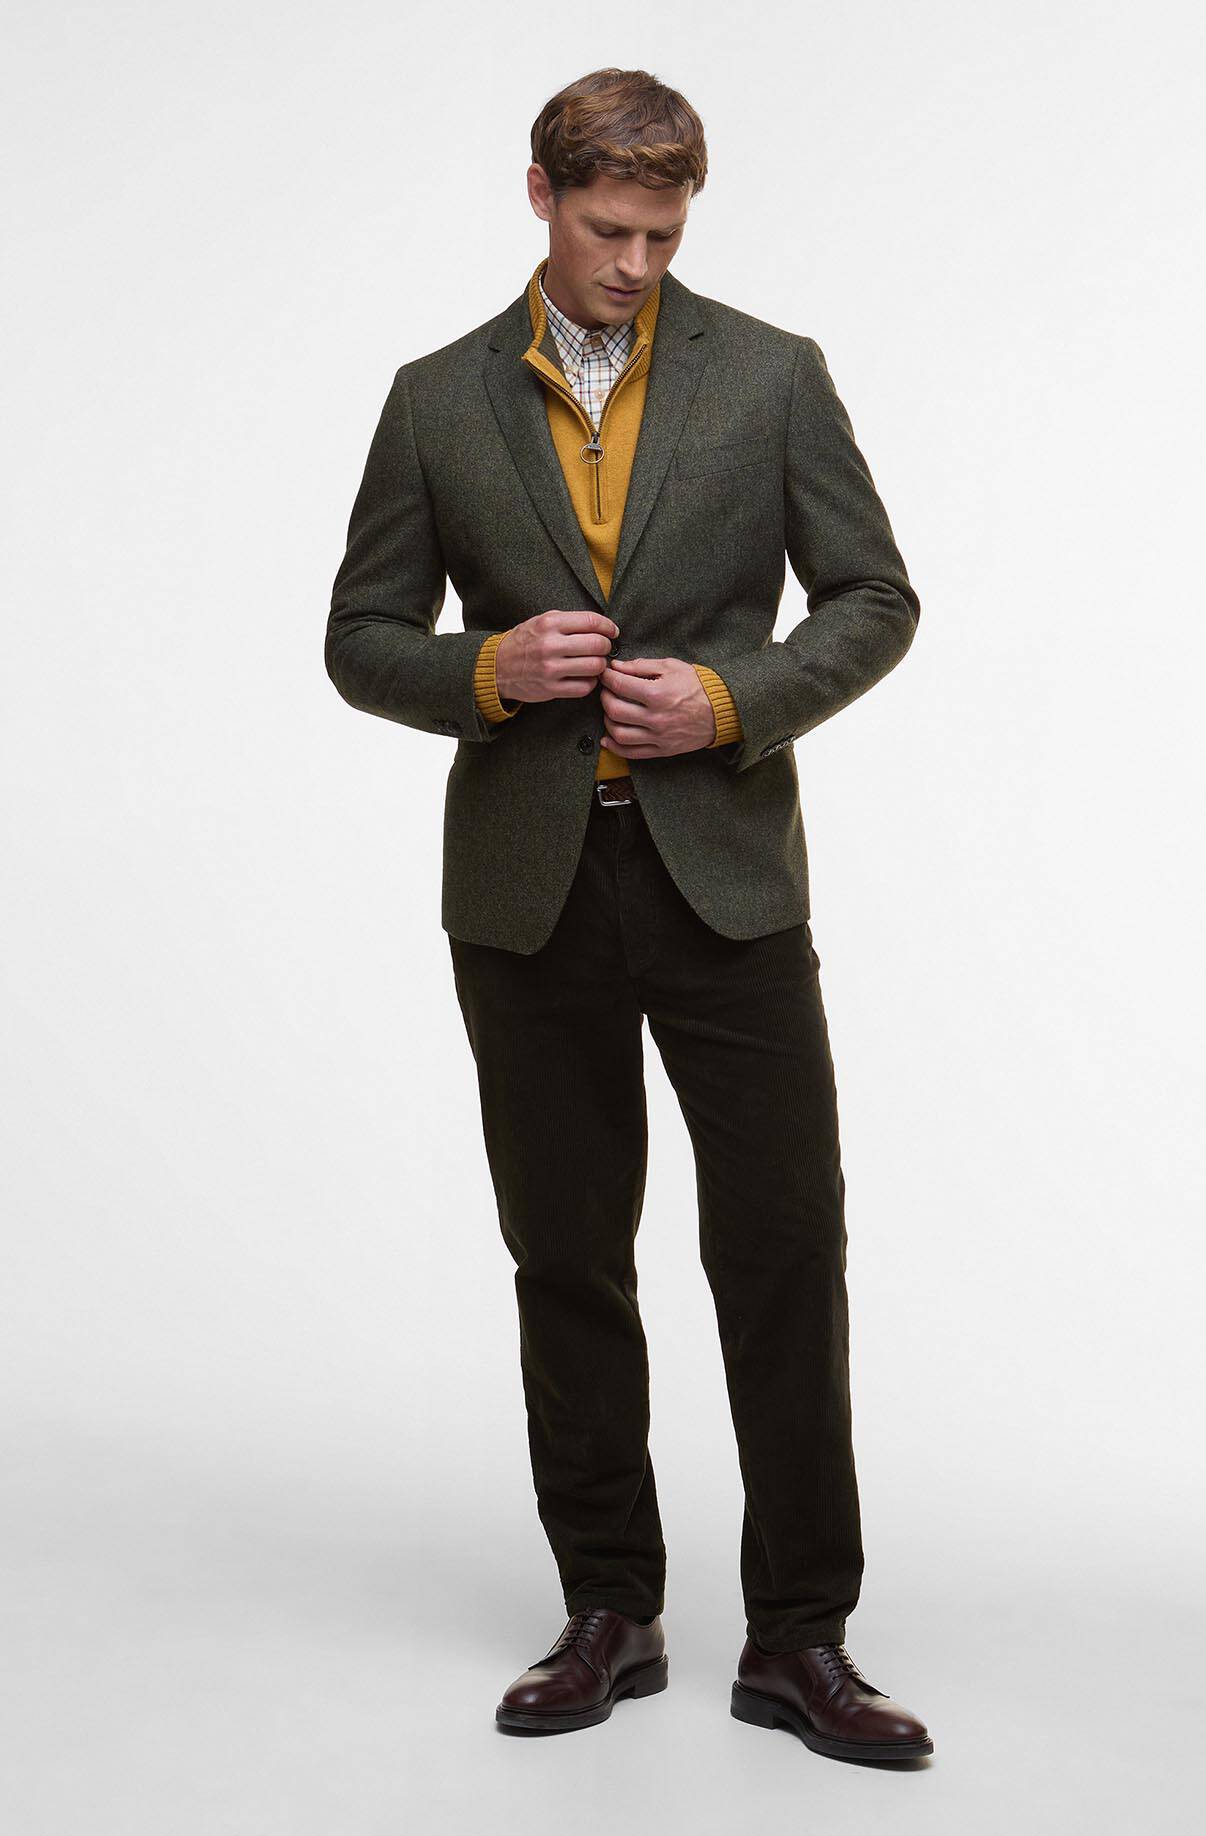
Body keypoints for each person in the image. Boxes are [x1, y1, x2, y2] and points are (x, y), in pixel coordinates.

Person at [324, 65, 932, 1763]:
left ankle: (801, 1638)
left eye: (665, 235)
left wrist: (734, 703)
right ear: (541, 197)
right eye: (609, 229)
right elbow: (361, 638)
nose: (637, 264)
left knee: (783, 1249)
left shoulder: (773, 375)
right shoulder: (436, 400)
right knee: (568, 1256)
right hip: (528, 895)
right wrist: (489, 670)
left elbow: (874, 596)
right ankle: (611, 1607)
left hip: (725, 883)